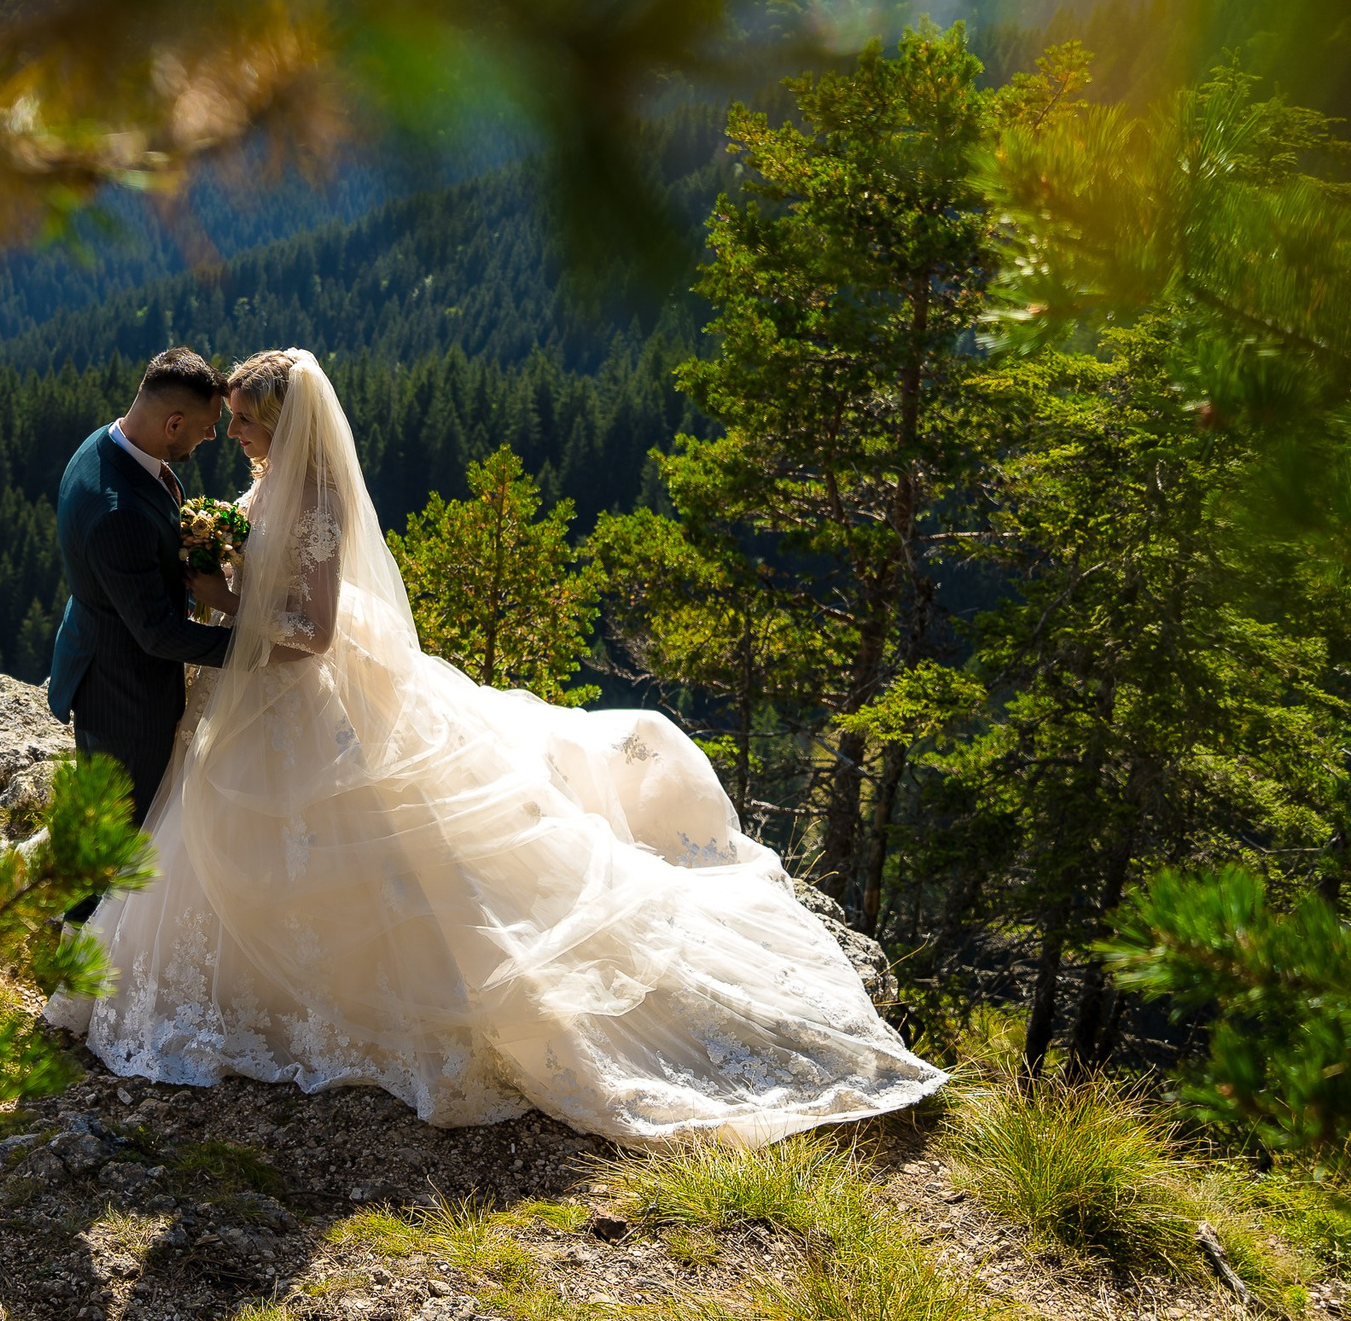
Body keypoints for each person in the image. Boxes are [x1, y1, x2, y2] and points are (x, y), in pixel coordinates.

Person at [47, 348, 947, 1145]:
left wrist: (228, 605)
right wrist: (220, 580)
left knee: (362, 840)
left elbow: (311, 631)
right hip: (254, 685)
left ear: (279, 424)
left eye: (243, 421)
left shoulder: (315, 495)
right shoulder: (265, 477)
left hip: (298, 679)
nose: (230, 433)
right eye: (226, 419)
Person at [46, 348, 233, 922]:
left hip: (99, 654)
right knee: (127, 827)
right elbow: (157, 635)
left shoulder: (105, 445)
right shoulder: (118, 511)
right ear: (172, 424)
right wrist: (254, 648)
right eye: (206, 428)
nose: (211, 438)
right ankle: (86, 940)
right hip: (123, 690)